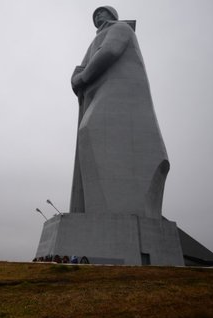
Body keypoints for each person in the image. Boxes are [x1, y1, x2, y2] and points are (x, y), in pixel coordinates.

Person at [70, 6, 170, 219]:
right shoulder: (95, 40)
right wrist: (76, 77)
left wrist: (82, 77)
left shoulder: (122, 28)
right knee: (89, 132)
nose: (98, 16)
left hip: (120, 91)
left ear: (113, 15)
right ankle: (94, 210)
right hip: (99, 91)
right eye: (95, 14)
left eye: (102, 12)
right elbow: (83, 66)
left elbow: (110, 52)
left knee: (92, 128)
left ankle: (114, 211)